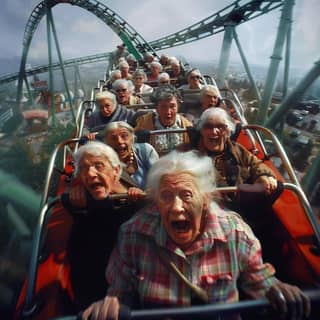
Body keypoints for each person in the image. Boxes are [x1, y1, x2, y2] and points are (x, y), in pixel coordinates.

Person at [82, 150, 310, 320]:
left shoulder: (235, 232)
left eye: (186, 195)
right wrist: (110, 306)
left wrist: (276, 289)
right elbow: (120, 292)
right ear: (156, 204)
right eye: (166, 196)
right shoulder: (133, 234)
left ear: (205, 199)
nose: (176, 207)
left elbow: (258, 279)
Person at [63, 141, 144, 310]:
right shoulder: (80, 205)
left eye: (98, 166)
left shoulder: (135, 200)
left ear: (115, 171)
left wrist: (136, 200)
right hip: (97, 294)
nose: (91, 173)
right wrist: (73, 202)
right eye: (84, 168)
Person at [87, 121, 159, 189]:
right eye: (113, 138)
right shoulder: (104, 162)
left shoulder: (145, 150)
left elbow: (159, 179)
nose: (119, 141)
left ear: (132, 138)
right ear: (106, 143)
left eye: (124, 136)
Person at [134, 85, 193, 156]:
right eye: (163, 107)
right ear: (156, 108)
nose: (168, 112)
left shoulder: (188, 126)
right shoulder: (143, 124)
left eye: (172, 106)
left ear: (178, 106)